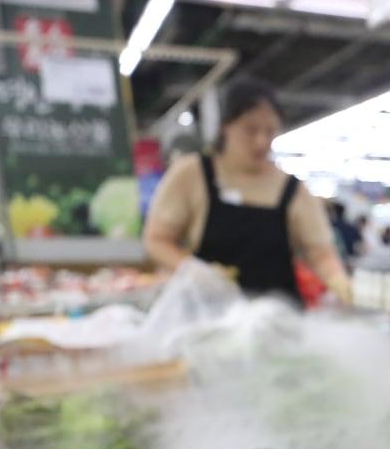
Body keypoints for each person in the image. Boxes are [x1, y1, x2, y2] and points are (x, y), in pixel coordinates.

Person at [144, 78, 350, 304]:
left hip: (277, 317)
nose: (261, 141)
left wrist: (337, 279)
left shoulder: (293, 188)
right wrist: (193, 270)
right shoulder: (191, 173)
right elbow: (157, 239)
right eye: (250, 130)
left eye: (270, 131)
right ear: (224, 127)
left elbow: (320, 253)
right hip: (208, 316)